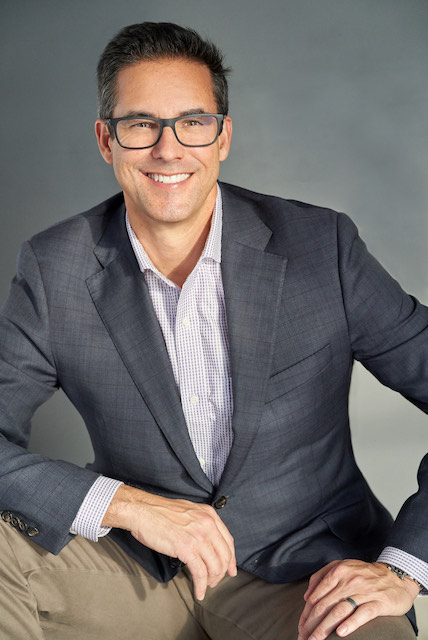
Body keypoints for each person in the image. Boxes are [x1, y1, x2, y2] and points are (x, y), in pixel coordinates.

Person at [0, 21, 427, 640]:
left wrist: (406, 567)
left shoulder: (320, 247)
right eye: (140, 124)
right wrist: (126, 505)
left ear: (223, 136)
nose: (168, 149)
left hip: (304, 577)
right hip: (137, 569)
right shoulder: (53, 268)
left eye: (193, 122)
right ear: (106, 140)